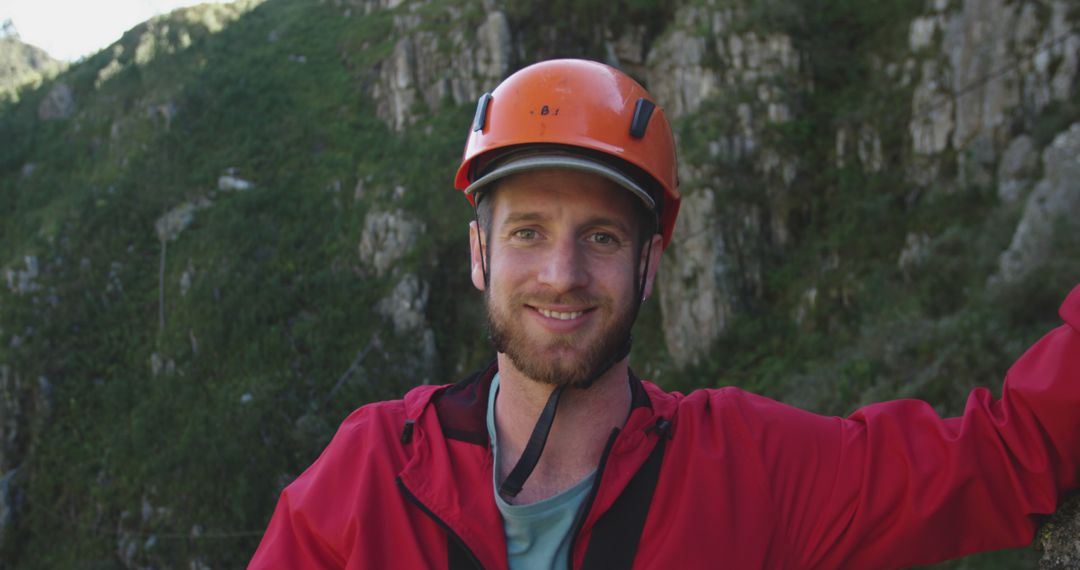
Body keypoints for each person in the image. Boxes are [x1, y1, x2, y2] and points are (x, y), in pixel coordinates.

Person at [249, 59, 1080, 569]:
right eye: (529, 232)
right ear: (479, 255)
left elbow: (1005, 459)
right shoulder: (375, 475)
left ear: (649, 265)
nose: (563, 274)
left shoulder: (746, 470)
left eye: (602, 237)